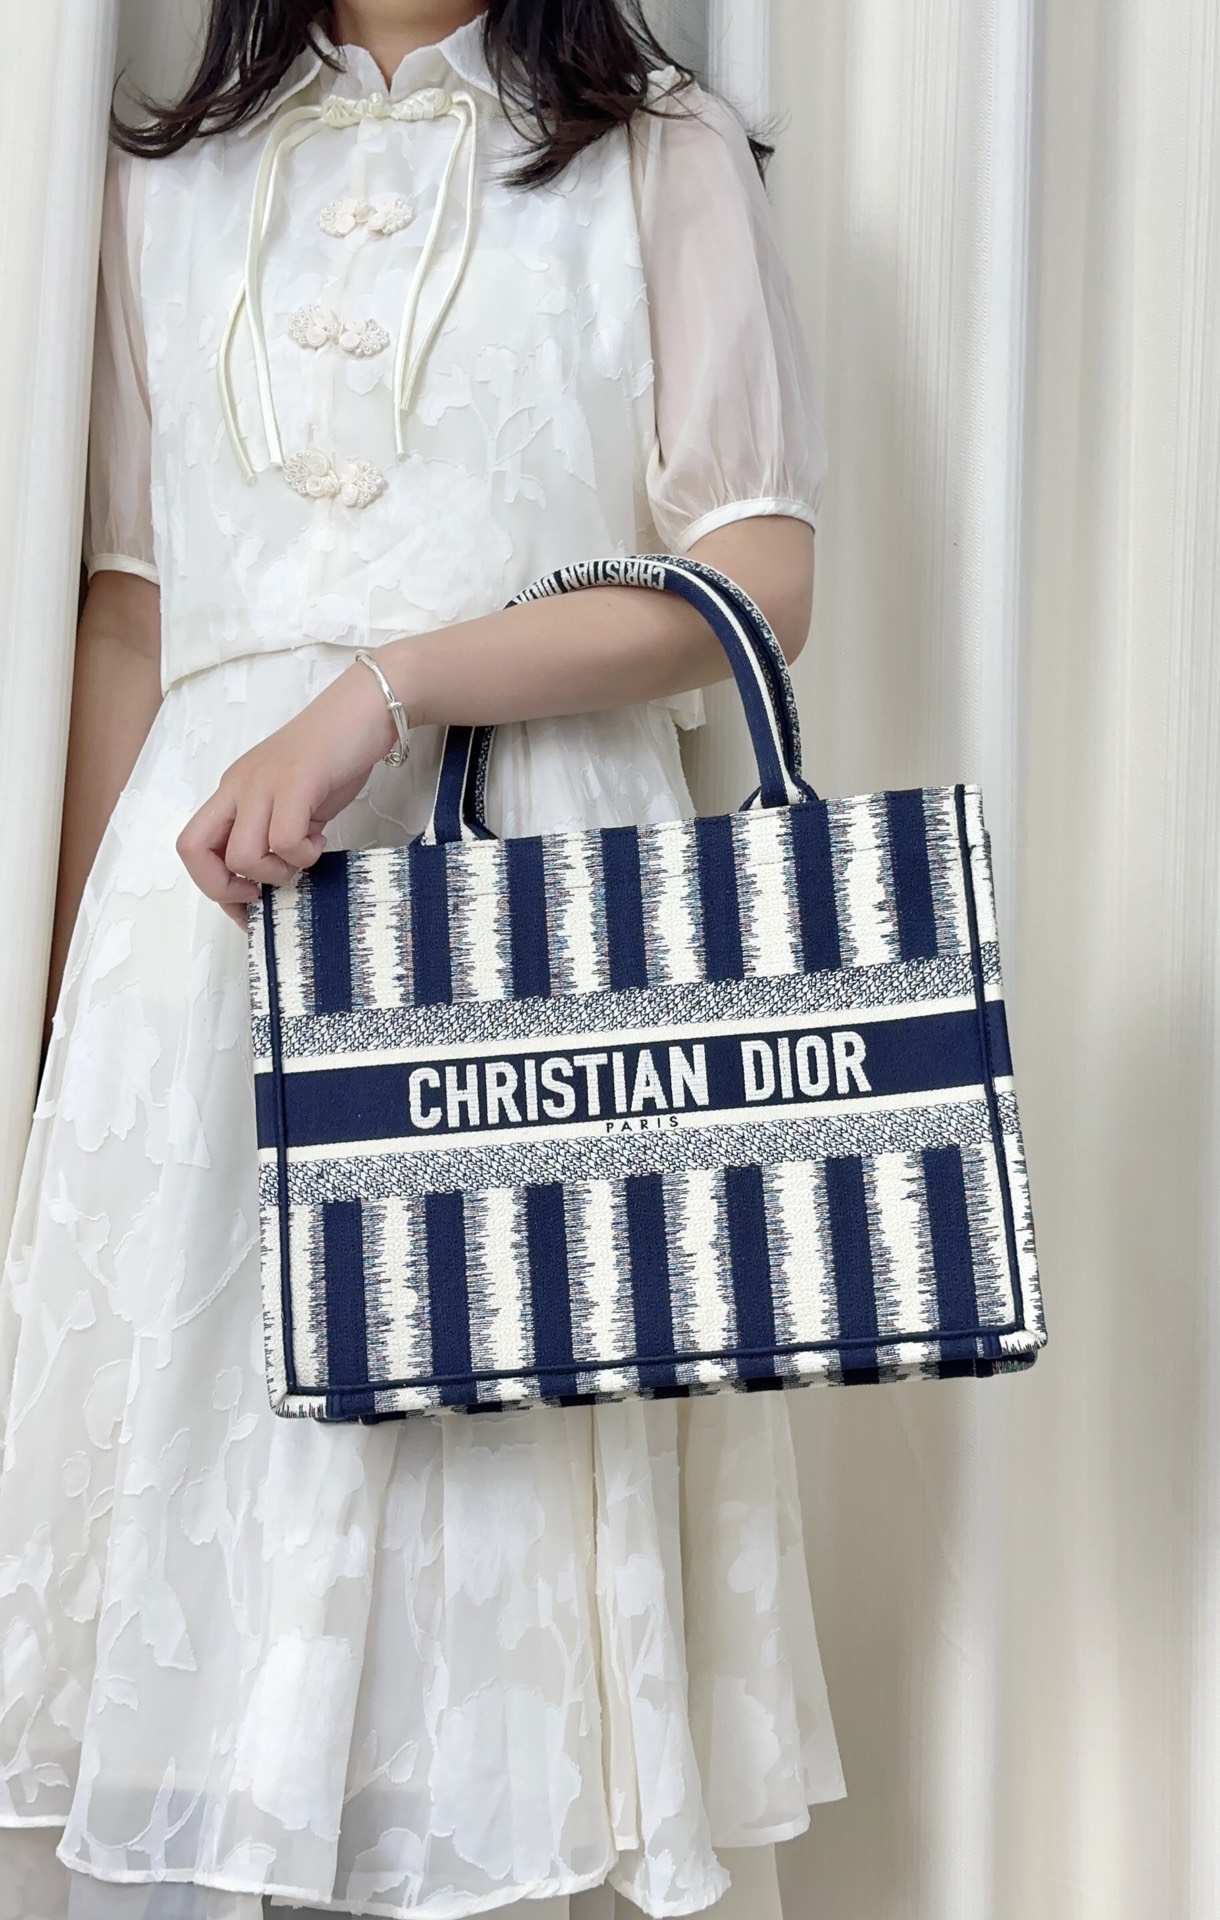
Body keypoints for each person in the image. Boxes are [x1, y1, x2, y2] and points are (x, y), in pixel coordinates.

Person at [0, 4, 845, 1916]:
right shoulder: (157, 179)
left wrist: (388, 689)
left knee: (491, 1607)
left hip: (533, 922)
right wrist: (61, 1045)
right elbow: (128, 618)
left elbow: (761, 577)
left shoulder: (658, 150)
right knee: (204, 1638)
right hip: (198, 963)